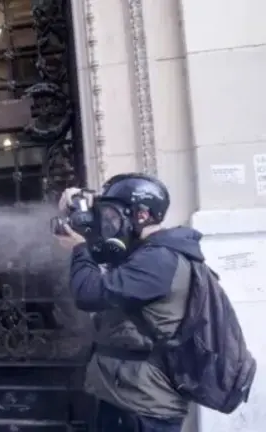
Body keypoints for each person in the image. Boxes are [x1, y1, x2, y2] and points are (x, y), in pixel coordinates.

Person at [54, 173, 199, 432]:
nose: (107, 223)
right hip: (127, 397)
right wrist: (82, 205)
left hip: (145, 409)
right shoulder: (144, 252)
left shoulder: (158, 260)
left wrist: (79, 249)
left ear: (141, 215)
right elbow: (104, 258)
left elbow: (89, 294)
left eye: (112, 215)